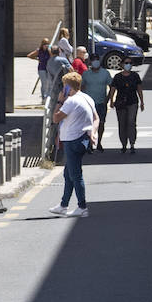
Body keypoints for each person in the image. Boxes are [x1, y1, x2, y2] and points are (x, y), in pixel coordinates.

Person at [49, 71, 98, 218]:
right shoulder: (87, 98)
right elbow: (96, 118)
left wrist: (59, 101)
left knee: (75, 174)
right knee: (68, 173)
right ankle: (63, 205)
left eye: (64, 86)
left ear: (67, 87)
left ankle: (82, 206)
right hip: (83, 138)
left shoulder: (70, 101)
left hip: (72, 140)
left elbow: (56, 118)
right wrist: (93, 133)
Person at [110, 60, 145, 154]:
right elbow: (112, 89)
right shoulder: (117, 77)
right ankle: (123, 144)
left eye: (130, 63)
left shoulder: (135, 76)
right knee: (122, 123)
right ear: (121, 64)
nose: (128, 65)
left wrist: (142, 102)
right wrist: (111, 101)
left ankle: (132, 143)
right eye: (126, 63)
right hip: (120, 103)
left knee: (131, 122)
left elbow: (139, 89)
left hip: (132, 102)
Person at [81, 55, 113, 151]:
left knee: (101, 123)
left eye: (97, 60)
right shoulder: (86, 74)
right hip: (89, 104)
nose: (95, 62)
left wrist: (108, 99)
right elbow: (81, 87)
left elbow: (111, 86)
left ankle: (99, 143)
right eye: (93, 60)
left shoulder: (105, 73)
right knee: (89, 124)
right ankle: (90, 144)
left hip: (101, 103)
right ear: (90, 62)